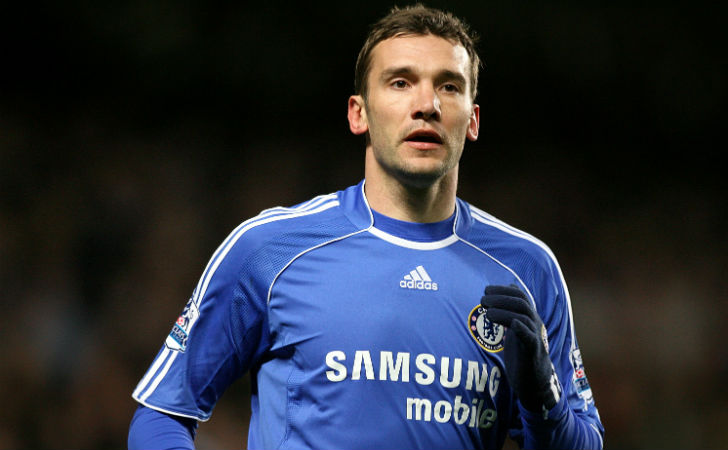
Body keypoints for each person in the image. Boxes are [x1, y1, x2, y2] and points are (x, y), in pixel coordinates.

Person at [128, 4, 605, 449]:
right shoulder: (270, 249)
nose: (427, 104)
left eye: (449, 86)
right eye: (400, 83)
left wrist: (544, 402)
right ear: (359, 113)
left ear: (472, 120)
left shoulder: (527, 269)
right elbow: (162, 415)